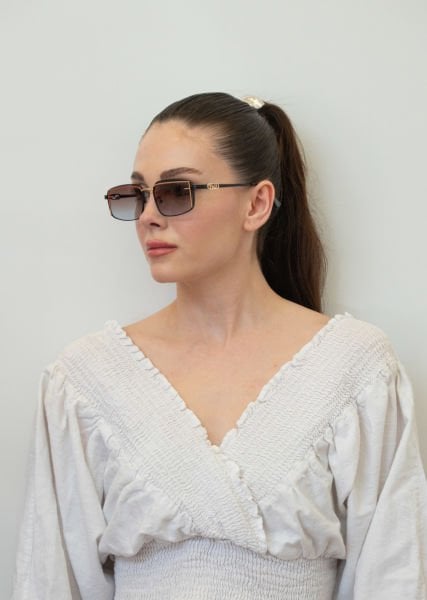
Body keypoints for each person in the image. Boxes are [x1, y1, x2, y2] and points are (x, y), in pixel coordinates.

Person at [11, 92, 427, 600]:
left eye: (176, 191)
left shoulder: (355, 370)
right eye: (137, 194)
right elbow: (51, 582)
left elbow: (392, 576)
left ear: (256, 204)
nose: (148, 216)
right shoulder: (85, 380)